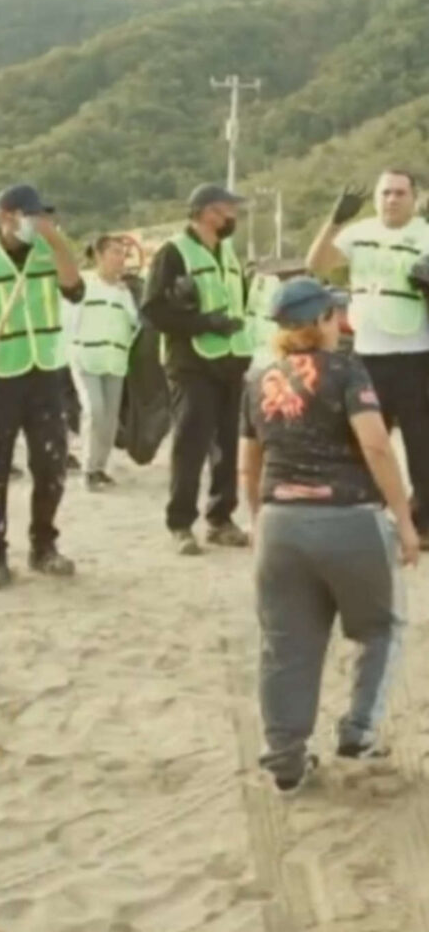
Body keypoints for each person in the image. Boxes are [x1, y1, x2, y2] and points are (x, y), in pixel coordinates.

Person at [239, 277, 418, 793]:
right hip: (348, 516)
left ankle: (285, 759)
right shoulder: (346, 370)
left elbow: (249, 464)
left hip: (280, 521)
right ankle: (359, 732)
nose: (340, 324)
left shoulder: (258, 378)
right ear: (320, 321)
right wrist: (405, 520)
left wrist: (258, 519)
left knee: (285, 643)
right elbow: (376, 446)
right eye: (333, 315)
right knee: (380, 627)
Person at [0, 183, 84, 590]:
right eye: (30, 215)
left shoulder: (49, 250)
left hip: (46, 371)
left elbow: (74, 289)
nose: (37, 222)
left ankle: (43, 546)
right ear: (5, 216)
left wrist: (54, 239)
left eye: (41, 215)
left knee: (51, 465)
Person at [306, 170, 429, 547]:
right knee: (364, 441)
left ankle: (423, 523)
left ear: (414, 198)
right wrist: (335, 221)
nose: (392, 199)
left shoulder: (425, 234)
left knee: (422, 443)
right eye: (385, 192)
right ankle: (364, 513)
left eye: (400, 193)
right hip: (367, 355)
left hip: (415, 355)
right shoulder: (359, 232)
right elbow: (317, 264)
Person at [141, 184, 252, 555]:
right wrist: (203, 323)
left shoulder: (228, 252)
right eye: (227, 209)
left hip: (231, 358)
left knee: (227, 443)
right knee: (191, 443)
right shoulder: (173, 252)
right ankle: (181, 523)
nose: (233, 217)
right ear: (206, 212)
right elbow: (153, 311)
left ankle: (221, 518)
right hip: (191, 362)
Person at [71, 234, 140, 490]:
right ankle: (88, 469)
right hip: (86, 359)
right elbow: (69, 320)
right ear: (99, 256)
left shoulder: (124, 292)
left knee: (110, 418)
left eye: (123, 253)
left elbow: (135, 323)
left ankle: (100, 467)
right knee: (94, 410)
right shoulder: (83, 284)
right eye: (114, 252)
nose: (120, 258)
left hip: (115, 362)